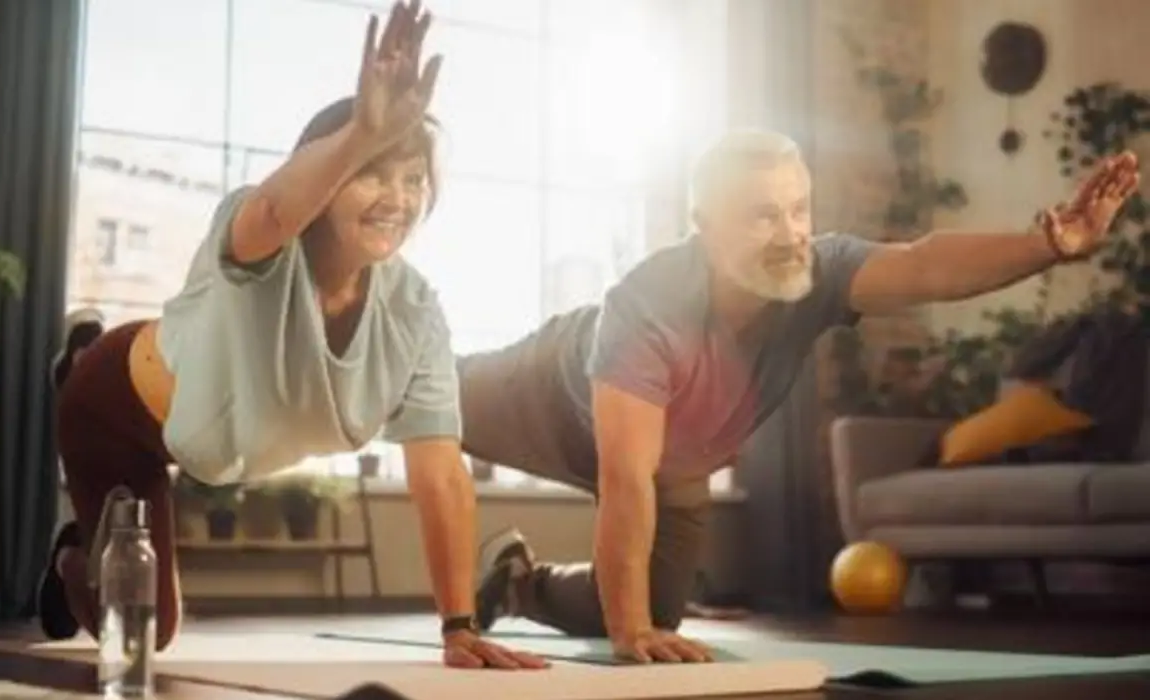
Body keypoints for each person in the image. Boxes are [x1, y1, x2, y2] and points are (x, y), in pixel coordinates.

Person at [459, 128, 1140, 664]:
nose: (788, 234)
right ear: (703, 222)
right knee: (410, 392)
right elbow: (625, 480)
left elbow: (922, 263)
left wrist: (1047, 244)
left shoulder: (817, 271)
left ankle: (520, 583)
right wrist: (625, 632)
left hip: (676, 462)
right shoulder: (649, 307)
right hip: (546, 394)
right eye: (761, 215)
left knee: (659, 615)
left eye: (797, 209)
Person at [38, 0, 545, 671]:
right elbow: (278, 209)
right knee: (143, 635)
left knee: (151, 628)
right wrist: (361, 134)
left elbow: (440, 471)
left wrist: (458, 625)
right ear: (327, 173)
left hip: (200, 438)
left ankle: (92, 542)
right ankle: (75, 549)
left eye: (414, 179)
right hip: (114, 404)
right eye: (372, 172)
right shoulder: (261, 242)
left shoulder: (416, 312)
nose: (398, 197)